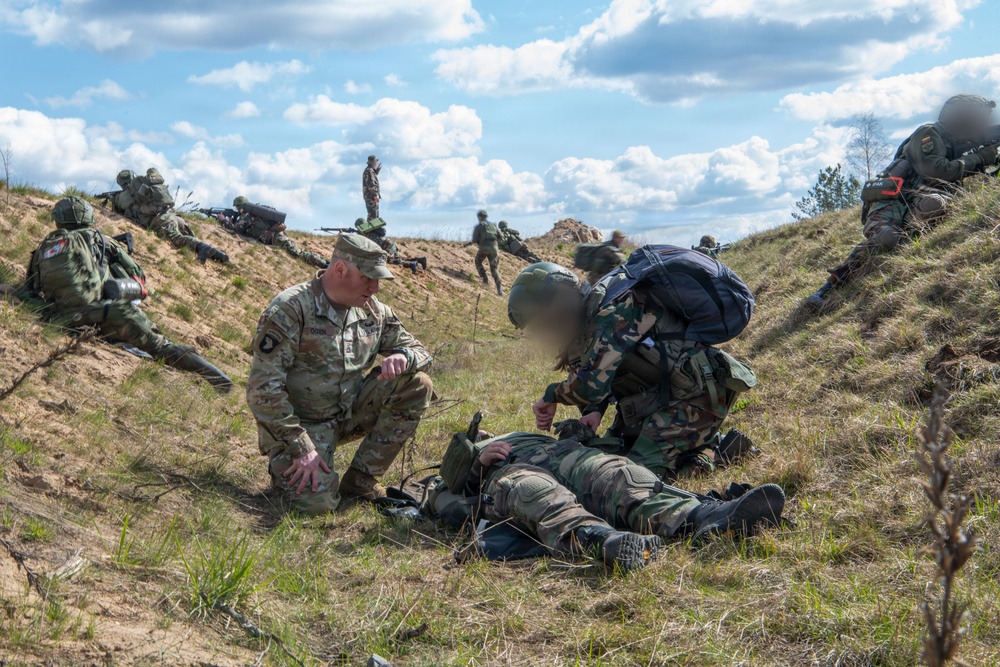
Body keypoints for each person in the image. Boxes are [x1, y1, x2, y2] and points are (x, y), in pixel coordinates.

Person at [507, 261, 756, 479]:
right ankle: (691, 444)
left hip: (695, 395)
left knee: (638, 475)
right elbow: (601, 375)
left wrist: (552, 395)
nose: (544, 328)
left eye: (541, 319)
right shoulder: (583, 329)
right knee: (601, 456)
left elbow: (590, 386)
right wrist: (594, 413)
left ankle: (718, 450)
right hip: (656, 400)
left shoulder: (612, 310)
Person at [433, 422, 785, 572]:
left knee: (619, 474)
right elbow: (444, 503)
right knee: (535, 493)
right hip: (509, 475)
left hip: (562, 455)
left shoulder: (522, 433)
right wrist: (478, 465)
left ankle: (704, 517)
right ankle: (604, 541)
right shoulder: (456, 467)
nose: (482, 432)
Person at [247, 233, 433, 514]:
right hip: (301, 426)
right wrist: (300, 447)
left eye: (379, 279)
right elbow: (262, 389)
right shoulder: (292, 309)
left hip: (348, 413)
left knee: (417, 383)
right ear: (340, 270)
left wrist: (403, 356)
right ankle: (287, 463)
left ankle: (361, 480)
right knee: (316, 506)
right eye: (368, 278)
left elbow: (421, 351)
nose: (376, 288)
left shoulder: (374, 311)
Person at [11, 197, 232, 391]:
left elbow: (31, 289)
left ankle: (121, 343)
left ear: (57, 220)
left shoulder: (44, 248)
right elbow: (138, 275)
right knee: (161, 347)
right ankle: (212, 376)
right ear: (89, 217)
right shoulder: (102, 240)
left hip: (62, 319)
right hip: (109, 313)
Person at [806, 94, 1000, 309]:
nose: (982, 122)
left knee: (933, 206)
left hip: (923, 198)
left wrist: (987, 158)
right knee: (886, 238)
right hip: (893, 200)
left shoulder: (970, 140)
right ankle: (826, 290)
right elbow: (936, 169)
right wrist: (981, 157)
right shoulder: (929, 133)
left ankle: (908, 249)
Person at [110, 169, 229, 264]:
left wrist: (113, 199)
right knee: (187, 237)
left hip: (161, 220)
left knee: (176, 238)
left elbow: (116, 212)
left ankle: (203, 248)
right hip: (173, 216)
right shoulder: (144, 186)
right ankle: (218, 255)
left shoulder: (122, 196)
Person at [221, 196, 328, 269]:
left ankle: (324, 264)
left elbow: (236, 230)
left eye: (237, 207)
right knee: (298, 252)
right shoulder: (251, 215)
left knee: (297, 253)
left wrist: (223, 220)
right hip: (276, 237)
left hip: (277, 238)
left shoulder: (247, 216)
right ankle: (325, 261)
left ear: (240, 207)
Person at [354, 218, 427, 274]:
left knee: (392, 260)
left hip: (386, 245)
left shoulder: (364, 233)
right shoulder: (370, 229)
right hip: (389, 243)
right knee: (398, 258)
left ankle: (412, 264)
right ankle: (419, 259)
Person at [469, 209, 503, 295]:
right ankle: (499, 290)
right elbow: (501, 236)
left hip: (484, 249)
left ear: (479, 217)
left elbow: (474, 239)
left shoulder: (478, 227)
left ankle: (485, 279)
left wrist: (479, 242)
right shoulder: (493, 225)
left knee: (478, 261)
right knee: (494, 269)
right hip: (494, 249)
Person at [363, 155, 382, 222]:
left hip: (370, 197)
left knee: (374, 216)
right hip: (371, 197)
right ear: (372, 162)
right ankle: (370, 232)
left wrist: (377, 171)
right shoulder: (369, 171)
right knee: (373, 217)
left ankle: (372, 231)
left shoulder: (370, 170)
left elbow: (371, 179)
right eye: (375, 161)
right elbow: (371, 184)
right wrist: (375, 195)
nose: (376, 163)